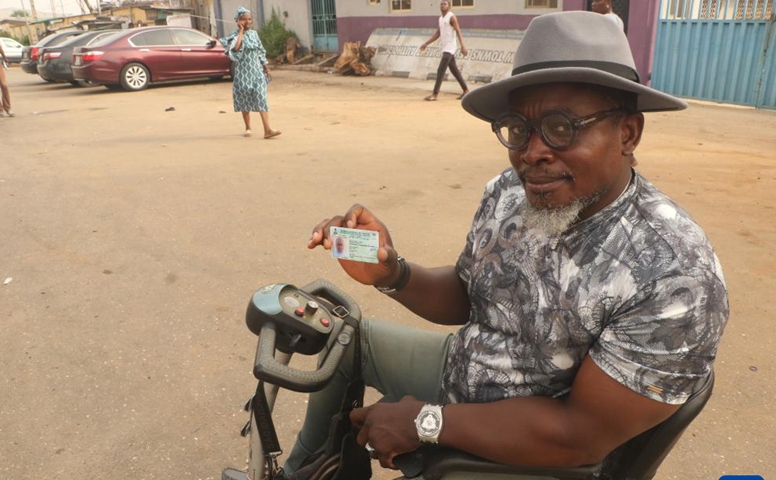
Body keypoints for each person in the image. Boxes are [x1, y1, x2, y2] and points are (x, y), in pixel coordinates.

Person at [281, 11, 729, 479]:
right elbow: (469, 291)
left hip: (530, 451)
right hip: (463, 369)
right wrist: (392, 273)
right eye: (518, 128)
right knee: (343, 339)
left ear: (628, 133)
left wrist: (425, 422)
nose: (532, 151)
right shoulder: (511, 192)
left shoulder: (673, 273)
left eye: (562, 127)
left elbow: (579, 435)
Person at [220, 7, 281, 139]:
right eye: (244, 19)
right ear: (238, 21)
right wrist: (241, 31)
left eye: (249, 19)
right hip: (242, 73)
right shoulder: (235, 35)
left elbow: (260, 50)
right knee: (244, 100)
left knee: (261, 98)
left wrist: (266, 67)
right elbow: (236, 48)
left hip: (257, 72)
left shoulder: (254, 34)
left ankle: (267, 129)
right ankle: (248, 127)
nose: (247, 21)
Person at [419, 0, 469, 102]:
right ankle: (466, 90)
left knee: (440, 70)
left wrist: (463, 46)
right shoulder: (441, 19)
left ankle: (435, 94)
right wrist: (426, 43)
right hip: (445, 47)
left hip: (450, 48)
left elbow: (458, 31)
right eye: (441, 4)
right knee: (454, 70)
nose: (442, 5)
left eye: (445, 4)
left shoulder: (451, 17)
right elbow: (437, 34)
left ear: (449, 6)